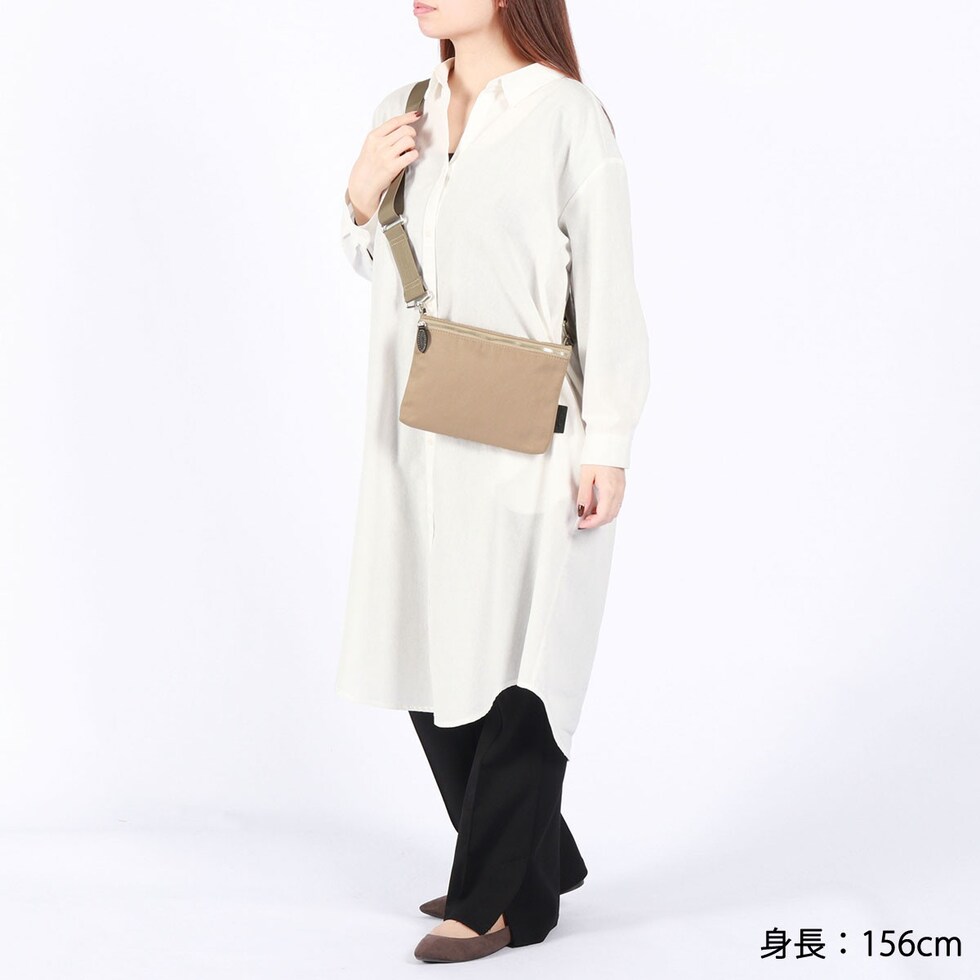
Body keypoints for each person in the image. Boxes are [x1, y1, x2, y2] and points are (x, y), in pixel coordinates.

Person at [336, 0, 650, 964]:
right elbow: (385, 272)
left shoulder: (567, 117)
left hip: (533, 440)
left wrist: (609, 441)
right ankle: (528, 866)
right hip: (418, 435)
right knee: (428, 656)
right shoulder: (404, 109)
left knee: (522, 670)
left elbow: (608, 289)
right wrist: (360, 200)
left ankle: (492, 901)